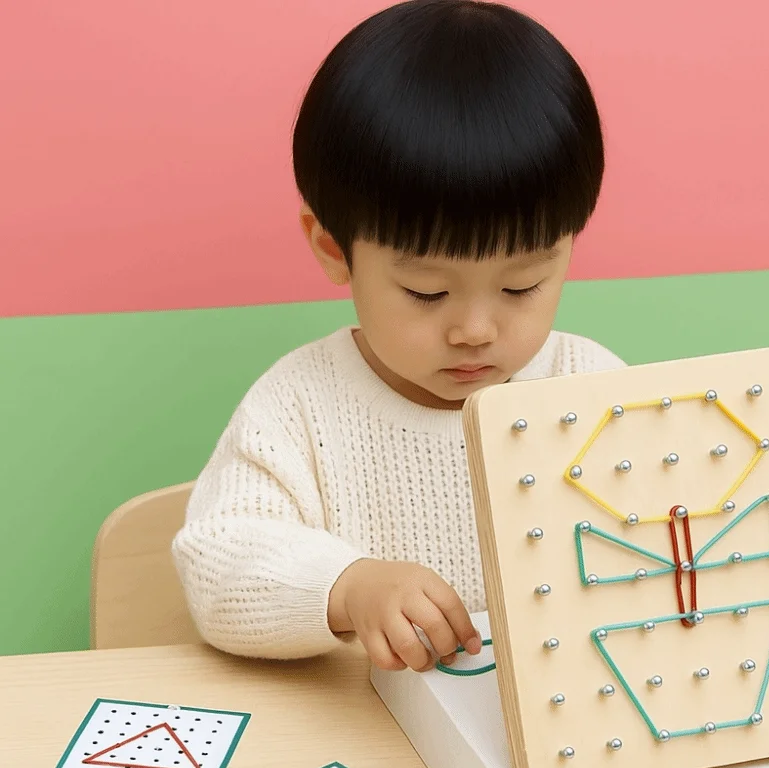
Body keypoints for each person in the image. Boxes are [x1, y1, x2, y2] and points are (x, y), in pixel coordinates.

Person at [172, 0, 626, 670]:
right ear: (333, 249)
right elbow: (216, 567)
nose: (475, 329)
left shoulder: (597, 391)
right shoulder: (300, 407)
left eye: (522, 285)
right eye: (427, 293)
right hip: (370, 737)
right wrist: (347, 587)